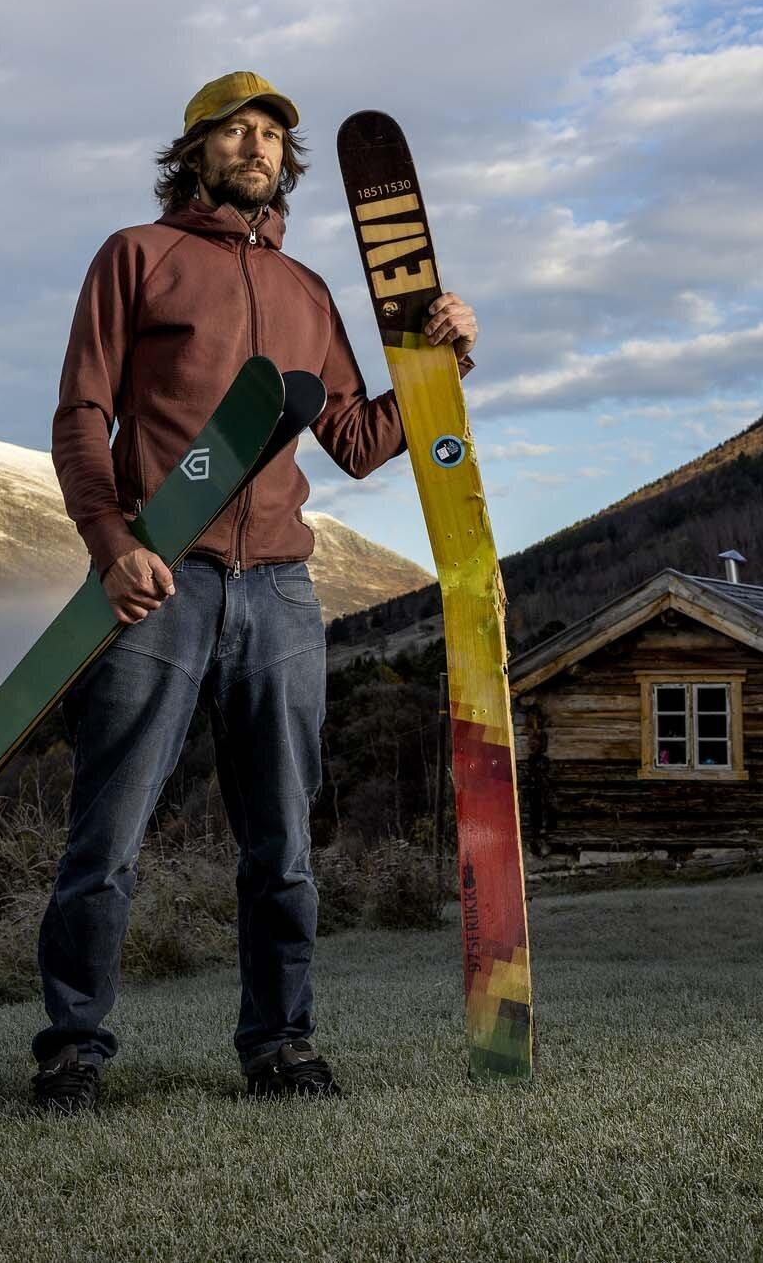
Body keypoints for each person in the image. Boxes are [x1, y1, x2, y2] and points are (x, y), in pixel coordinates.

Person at [34, 70, 479, 1113]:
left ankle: (279, 1047)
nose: (252, 145)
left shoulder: (309, 291)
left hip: (279, 588)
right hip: (162, 580)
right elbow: (80, 412)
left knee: (281, 843)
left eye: (269, 133)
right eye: (229, 131)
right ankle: (71, 1051)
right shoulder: (133, 257)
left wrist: (439, 361)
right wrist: (110, 541)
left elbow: (361, 443)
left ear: (287, 160)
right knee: (107, 838)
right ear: (191, 153)